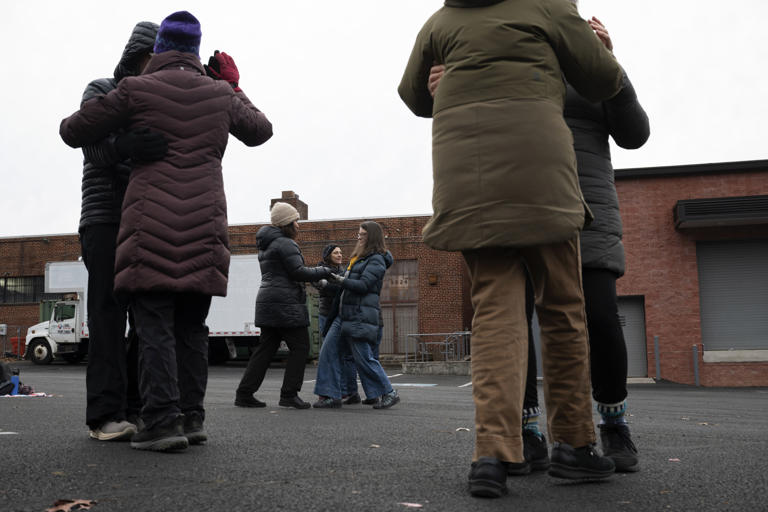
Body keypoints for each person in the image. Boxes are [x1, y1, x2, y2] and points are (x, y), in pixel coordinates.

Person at [398, 0, 624, 498]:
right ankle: (575, 446)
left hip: (466, 178)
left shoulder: (440, 21)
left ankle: (492, 455)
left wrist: (444, 80)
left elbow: (413, 96)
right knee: (563, 308)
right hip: (542, 169)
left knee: (495, 316)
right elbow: (603, 82)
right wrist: (601, 49)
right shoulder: (547, 5)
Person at [60, 11, 274, 452]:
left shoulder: (135, 91)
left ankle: (157, 416)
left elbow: (71, 130)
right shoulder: (123, 87)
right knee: (158, 322)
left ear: (157, 53)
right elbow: (261, 129)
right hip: (151, 219)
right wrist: (230, 85)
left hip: (146, 220)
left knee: (151, 323)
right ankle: (141, 414)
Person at [74, 20, 168, 442]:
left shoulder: (160, 100)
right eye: (150, 60)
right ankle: (104, 415)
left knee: (144, 317)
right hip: (105, 217)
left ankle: (135, 406)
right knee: (107, 315)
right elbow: (92, 147)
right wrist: (126, 148)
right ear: (134, 56)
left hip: (145, 219)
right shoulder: (100, 90)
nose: (155, 68)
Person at [235, 202, 332, 410]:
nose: (299, 225)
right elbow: (298, 272)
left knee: (265, 350)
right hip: (285, 304)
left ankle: (244, 393)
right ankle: (289, 394)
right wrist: (324, 271)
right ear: (286, 223)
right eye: (296, 221)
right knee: (300, 347)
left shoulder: (266, 244)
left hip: (268, 301)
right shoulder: (285, 243)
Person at [313, 221, 398, 410]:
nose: (358, 237)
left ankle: (389, 392)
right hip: (343, 314)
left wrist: (340, 280)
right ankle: (330, 396)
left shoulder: (376, 259)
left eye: (362, 234)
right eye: (358, 234)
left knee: (363, 357)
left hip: (358, 315)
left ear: (372, 237)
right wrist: (329, 284)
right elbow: (347, 285)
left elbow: (363, 286)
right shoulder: (359, 258)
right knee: (328, 351)